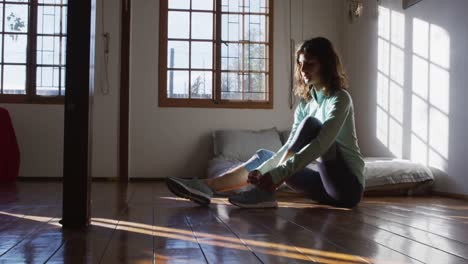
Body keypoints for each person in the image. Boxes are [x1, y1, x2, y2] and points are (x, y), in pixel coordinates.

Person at [166, 37, 365, 209]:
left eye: (310, 64)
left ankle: (264, 193)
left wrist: (277, 174)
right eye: (300, 64)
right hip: (322, 188)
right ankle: (206, 187)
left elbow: (321, 144)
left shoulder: (341, 99)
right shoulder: (305, 105)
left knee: (312, 125)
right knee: (265, 156)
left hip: (347, 189)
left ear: (326, 65)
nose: (303, 70)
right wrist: (262, 172)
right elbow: (288, 147)